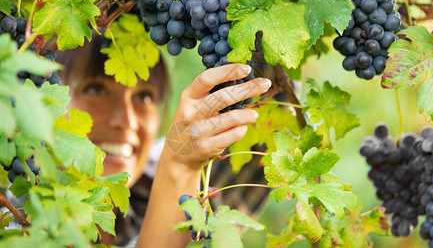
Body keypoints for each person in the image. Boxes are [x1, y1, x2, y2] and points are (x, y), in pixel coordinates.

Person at [56, 32, 272, 247]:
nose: (127, 121)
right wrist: (179, 167)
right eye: (96, 89)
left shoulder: (156, 180)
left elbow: (272, 94)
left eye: (144, 96)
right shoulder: (24, 222)